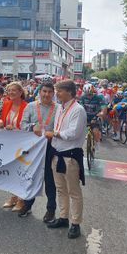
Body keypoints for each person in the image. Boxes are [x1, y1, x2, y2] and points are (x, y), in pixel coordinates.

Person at [46, 79, 87, 239]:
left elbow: (73, 133)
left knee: (73, 191)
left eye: (60, 91)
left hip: (70, 156)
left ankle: (75, 223)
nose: (57, 93)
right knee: (61, 189)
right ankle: (63, 217)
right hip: (57, 153)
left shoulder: (78, 110)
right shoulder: (60, 108)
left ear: (69, 92)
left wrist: (54, 134)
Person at [18, 82, 57, 223]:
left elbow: (60, 128)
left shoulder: (58, 109)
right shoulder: (30, 106)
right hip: (33, 150)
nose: (46, 94)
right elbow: (22, 125)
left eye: (49, 92)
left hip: (51, 149)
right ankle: (27, 205)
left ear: (53, 93)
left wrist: (52, 133)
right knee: (31, 177)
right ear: (39, 92)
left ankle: (51, 209)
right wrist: (32, 126)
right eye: (44, 91)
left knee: (50, 180)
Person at [0, 82, 28, 212]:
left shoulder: (27, 106)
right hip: (9, 145)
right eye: (9, 90)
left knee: (22, 172)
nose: (10, 92)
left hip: (23, 144)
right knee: (11, 171)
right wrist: (0, 122)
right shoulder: (6, 104)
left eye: (14, 90)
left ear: (20, 92)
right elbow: (2, 120)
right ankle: (13, 196)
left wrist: (16, 128)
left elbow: (28, 126)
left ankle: (22, 199)